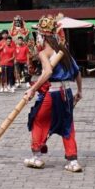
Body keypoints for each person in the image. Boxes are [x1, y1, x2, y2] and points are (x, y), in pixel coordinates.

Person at [23, 14, 83, 172]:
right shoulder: (64, 50)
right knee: (67, 124)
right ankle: (73, 161)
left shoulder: (44, 52)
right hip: (67, 92)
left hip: (53, 93)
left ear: (42, 36)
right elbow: (77, 73)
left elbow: (47, 72)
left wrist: (32, 89)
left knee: (38, 120)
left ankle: (36, 157)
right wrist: (79, 91)